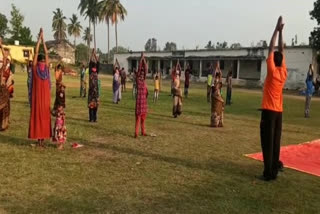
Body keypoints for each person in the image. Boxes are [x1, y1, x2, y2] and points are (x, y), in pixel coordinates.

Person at [260, 16, 287, 181]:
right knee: (276, 141)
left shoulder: (272, 73)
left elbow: (271, 48)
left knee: (267, 142)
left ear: (272, 61)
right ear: (281, 62)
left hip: (269, 111)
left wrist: (276, 30)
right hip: (278, 112)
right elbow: (280, 51)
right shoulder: (283, 73)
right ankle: (275, 165)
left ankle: (269, 173)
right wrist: (282, 32)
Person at [28, 28, 52, 147]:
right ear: (44, 61)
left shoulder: (35, 68)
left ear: (38, 61)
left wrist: (39, 39)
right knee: (44, 117)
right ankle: (42, 140)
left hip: (37, 97)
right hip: (45, 98)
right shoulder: (47, 70)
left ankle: (39, 140)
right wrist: (43, 40)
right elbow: (46, 53)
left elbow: (36, 53)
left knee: (37, 117)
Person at [135, 53, 148, 138]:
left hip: (143, 103)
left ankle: (143, 132)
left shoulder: (143, 82)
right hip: (140, 104)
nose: (142, 75)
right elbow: (140, 69)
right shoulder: (138, 81)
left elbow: (145, 69)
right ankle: (136, 133)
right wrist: (141, 59)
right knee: (138, 119)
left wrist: (144, 60)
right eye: (141, 74)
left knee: (143, 119)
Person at [0, 38, 11, 131]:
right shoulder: (2, 66)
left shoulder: (7, 64)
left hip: (4, 87)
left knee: (5, 106)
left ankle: (3, 124)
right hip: (1, 87)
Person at [210, 63, 224, 127]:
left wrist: (218, 68)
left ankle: (219, 122)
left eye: (217, 78)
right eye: (216, 78)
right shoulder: (213, 82)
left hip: (218, 97)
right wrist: (215, 69)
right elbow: (213, 78)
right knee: (214, 110)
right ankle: (214, 123)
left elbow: (220, 75)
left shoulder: (219, 83)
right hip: (214, 97)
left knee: (219, 110)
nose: (216, 79)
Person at [88, 49, 100, 122]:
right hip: (91, 92)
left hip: (96, 92)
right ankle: (91, 118)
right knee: (91, 106)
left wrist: (95, 55)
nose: (95, 68)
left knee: (95, 106)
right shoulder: (90, 72)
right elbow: (90, 62)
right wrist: (92, 54)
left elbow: (98, 62)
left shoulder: (97, 72)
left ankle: (94, 118)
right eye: (94, 66)